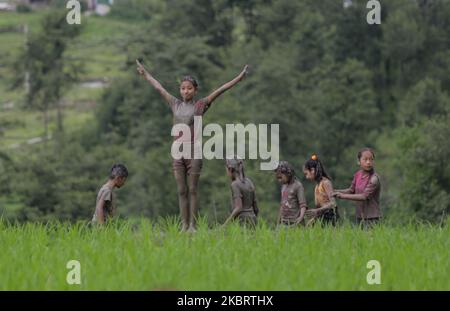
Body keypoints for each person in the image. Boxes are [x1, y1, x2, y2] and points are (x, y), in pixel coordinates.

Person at [136, 59, 249, 232]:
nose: (185, 91)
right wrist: (146, 75)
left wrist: (238, 78)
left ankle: (193, 226)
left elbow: (220, 90)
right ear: (180, 90)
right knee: (181, 190)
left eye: (189, 88)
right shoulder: (175, 104)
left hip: (194, 153)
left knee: (193, 190)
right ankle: (183, 225)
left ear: (195, 90)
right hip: (177, 153)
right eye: (183, 88)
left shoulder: (200, 105)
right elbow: (159, 87)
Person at [333, 148, 381, 228]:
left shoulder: (374, 178)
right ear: (359, 161)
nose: (368, 162)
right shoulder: (357, 175)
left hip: (372, 218)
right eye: (365, 159)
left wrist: (341, 196)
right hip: (360, 216)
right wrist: (334, 191)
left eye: (371, 159)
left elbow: (364, 196)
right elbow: (351, 190)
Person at [303, 154, 339, 226]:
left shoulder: (325, 183)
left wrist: (317, 211)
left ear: (312, 170)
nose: (306, 177)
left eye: (306, 174)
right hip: (322, 215)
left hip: (330, 216)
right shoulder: (317, 185)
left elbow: (333, 203)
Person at [223, 158, 258, 227]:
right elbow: (256, 208)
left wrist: (225, 225)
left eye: (226, 170)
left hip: (242, 221)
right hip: (253, 219)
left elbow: (238, 208)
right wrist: (254, 218)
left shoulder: (235, 184)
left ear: (230, 169)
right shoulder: (249, 182)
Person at [274, 161, 307, 227]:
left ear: (288, 174)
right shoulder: (283, 186)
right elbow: (282, 206)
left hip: (295, 222)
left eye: (281, 177)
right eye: (278, 178)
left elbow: (303, 205)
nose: (279, 180)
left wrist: (300, 218)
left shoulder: (298, 186)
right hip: (283, 222)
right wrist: (278, 223)